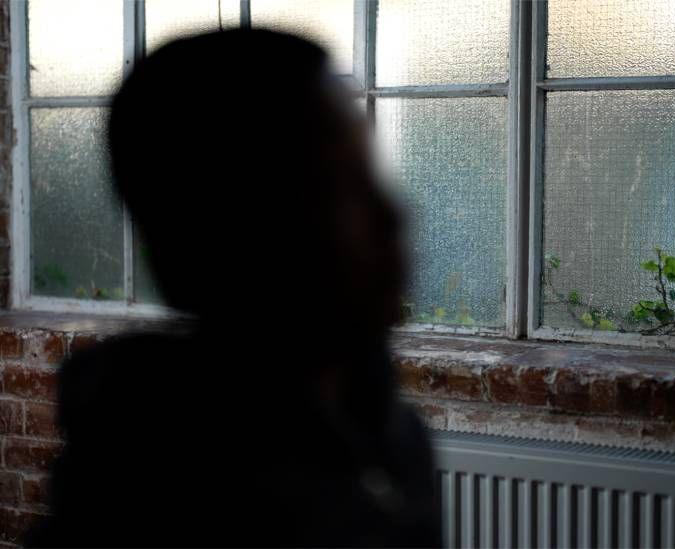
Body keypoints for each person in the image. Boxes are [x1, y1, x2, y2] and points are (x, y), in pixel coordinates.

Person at [24, 29, 441, 548]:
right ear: (234, 229)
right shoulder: (160, 503)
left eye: (370, 173)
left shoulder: (388, 437)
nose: (392, 214)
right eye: (340, 185)